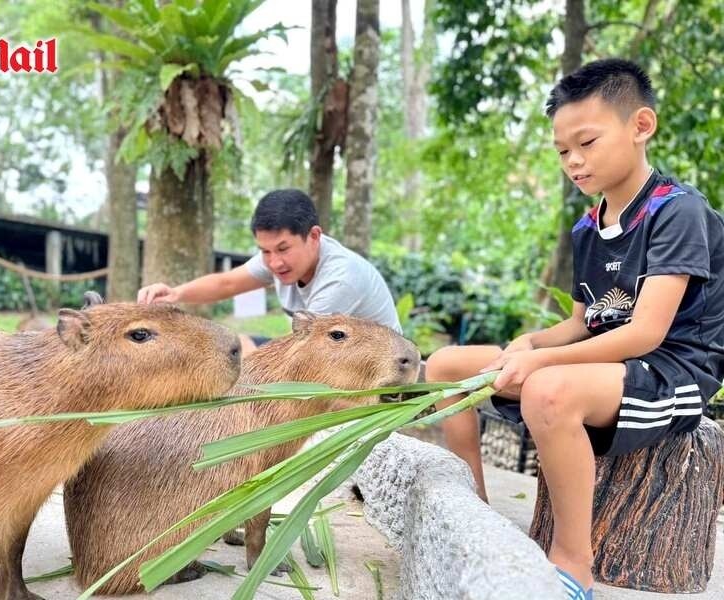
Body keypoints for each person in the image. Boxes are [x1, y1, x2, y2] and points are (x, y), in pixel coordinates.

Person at [425, 58, 724, 600]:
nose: (574, 161)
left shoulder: (677, 211)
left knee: (546, 388)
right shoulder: (589, 226)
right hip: (602, 362)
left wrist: (539, 363)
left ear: (640, 126)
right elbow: (584, 322)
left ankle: (572, 564)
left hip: (670, 373)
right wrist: (532, 342)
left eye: (586, 142)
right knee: (447, 366)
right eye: (563, 150)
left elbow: (646, 333)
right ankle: (475, 513)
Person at [137, 188, 401, 351]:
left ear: (314, 236)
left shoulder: (340, 279)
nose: (274, 262)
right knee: (233, 348)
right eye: (265, 251)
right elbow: (227, 283)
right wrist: (174, 294)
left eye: (283, 249)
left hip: (376, 375)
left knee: (235, 352)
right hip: (326, 356)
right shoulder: (277, 261)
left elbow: (296, 356)